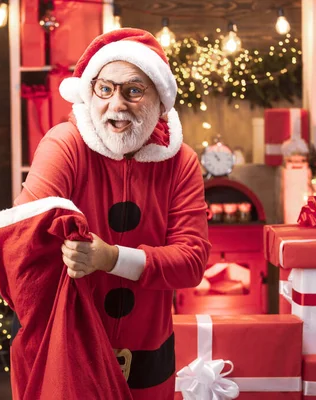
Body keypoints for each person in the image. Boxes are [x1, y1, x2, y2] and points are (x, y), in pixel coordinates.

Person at [14, 28, 211, 399]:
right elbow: (26, 235)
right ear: (90, 94)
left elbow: (192, 261)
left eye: (134, 90)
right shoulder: (65, 145)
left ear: (160, 99)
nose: (117, 104)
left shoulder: (181, 162)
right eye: (105, 89)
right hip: (70, 352)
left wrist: (111, 258)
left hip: (149, 358)